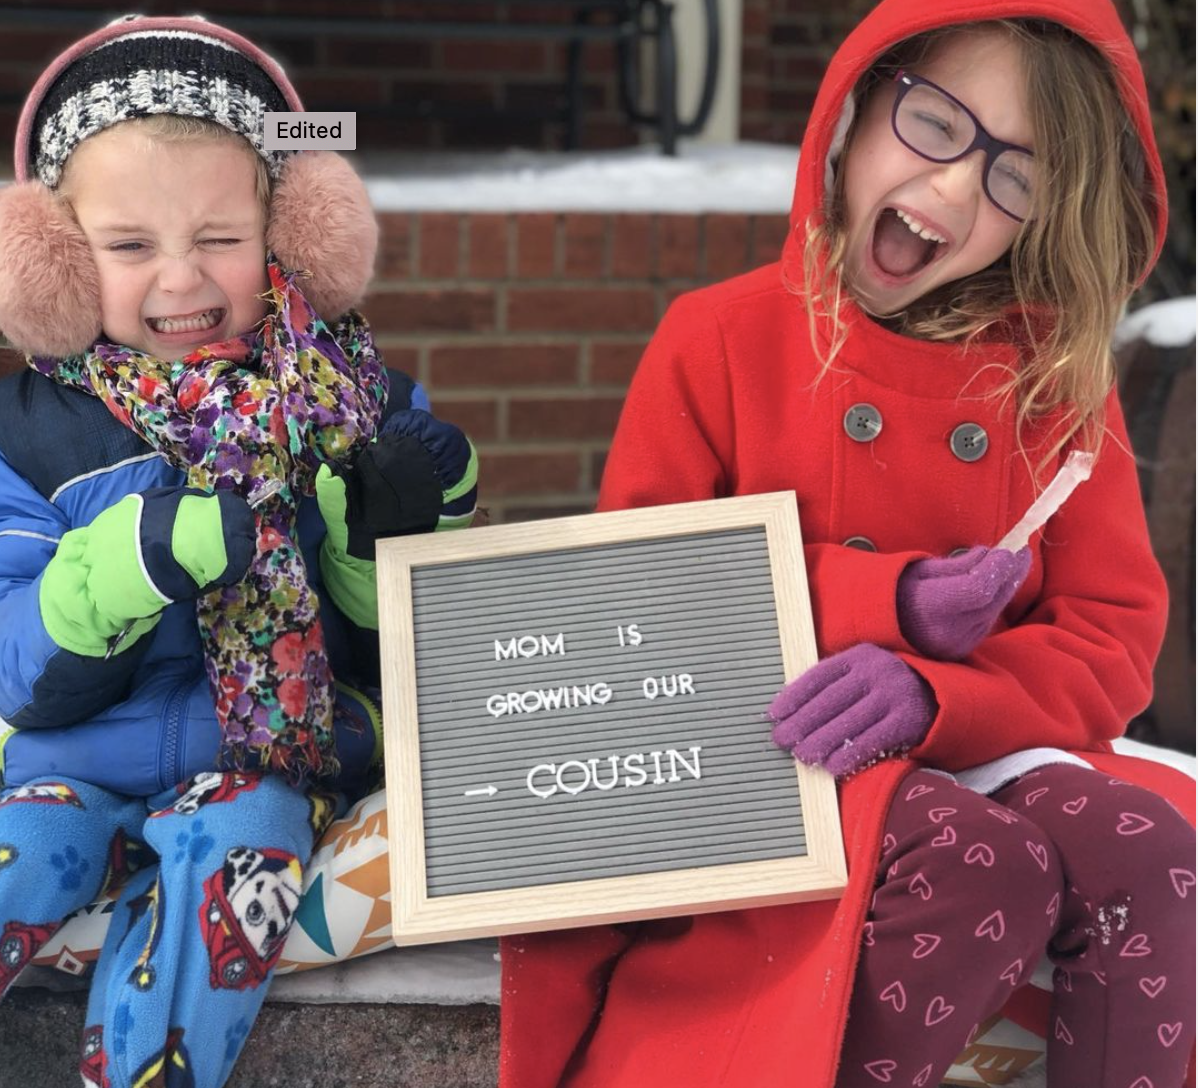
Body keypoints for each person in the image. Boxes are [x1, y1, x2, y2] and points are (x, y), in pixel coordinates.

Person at [497, 1, 1195, 1086]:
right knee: (985, 869)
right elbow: (638, 613)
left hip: (983, 744)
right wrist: (889, 602)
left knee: (1148, 855)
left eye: (1016, 175)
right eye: (938, 124)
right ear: (862, 101)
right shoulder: (719, 339)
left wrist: (939, 693)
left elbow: (1110, 638)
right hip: (771, 758)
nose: (959, 187)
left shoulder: (1054, 386)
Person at [0, 16, 476, 1088]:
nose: (181, 281)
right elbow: (14, 658)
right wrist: (135, 558)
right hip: (65, 764)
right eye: (129, 246)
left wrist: (398, 520)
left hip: (270, 763)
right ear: (59, 258)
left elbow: (403, 648)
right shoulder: (25, 434)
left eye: (220, 238)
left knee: (231, 859)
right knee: (19, 859)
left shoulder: (358, 404)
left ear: (292, 232)